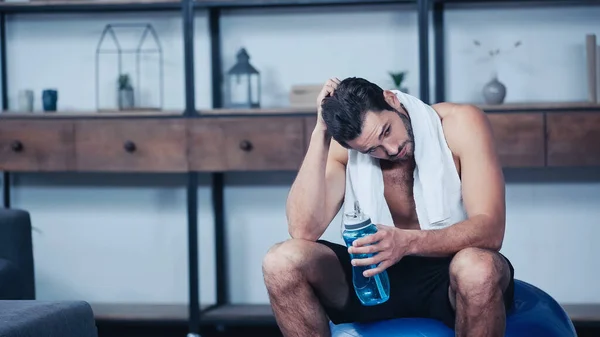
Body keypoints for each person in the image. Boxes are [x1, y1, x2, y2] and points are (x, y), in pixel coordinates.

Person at [262, 77, 515, 337]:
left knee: (478, 268)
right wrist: (320, 133)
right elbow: (303, 230)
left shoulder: (460, 124)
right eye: (374, 149)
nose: (392, 149)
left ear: (392, 99)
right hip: (374, 275)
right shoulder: (349, 150)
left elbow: (491, 230)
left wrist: (407, 242)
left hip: (449, 273)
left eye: (386, 131)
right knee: (281, 261)